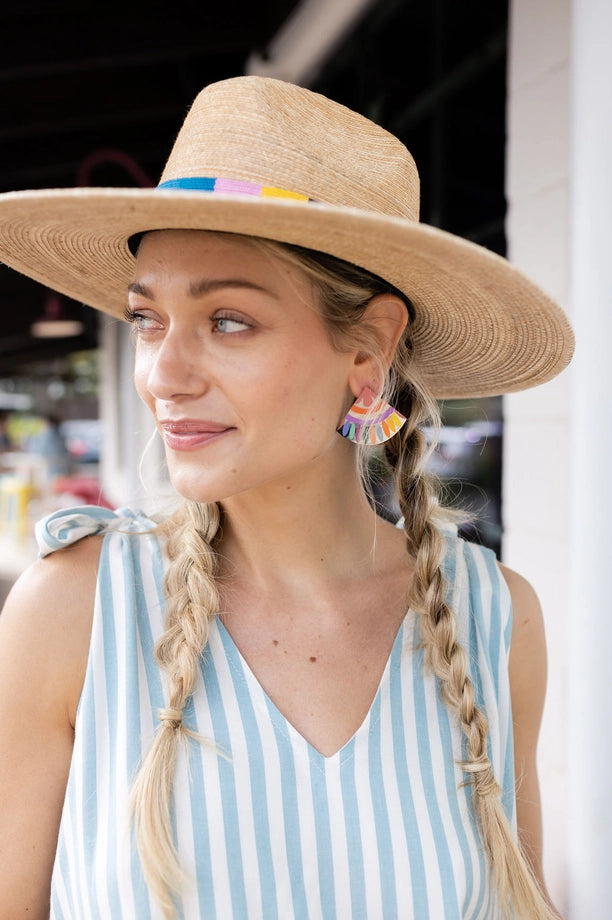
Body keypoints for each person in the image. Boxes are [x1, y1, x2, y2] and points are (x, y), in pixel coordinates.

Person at [0, 76, 573, 920]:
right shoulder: (78, 610)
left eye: (228, 320)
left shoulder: (491, 619)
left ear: (368, 353)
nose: (162, 375)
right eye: (147, 319)